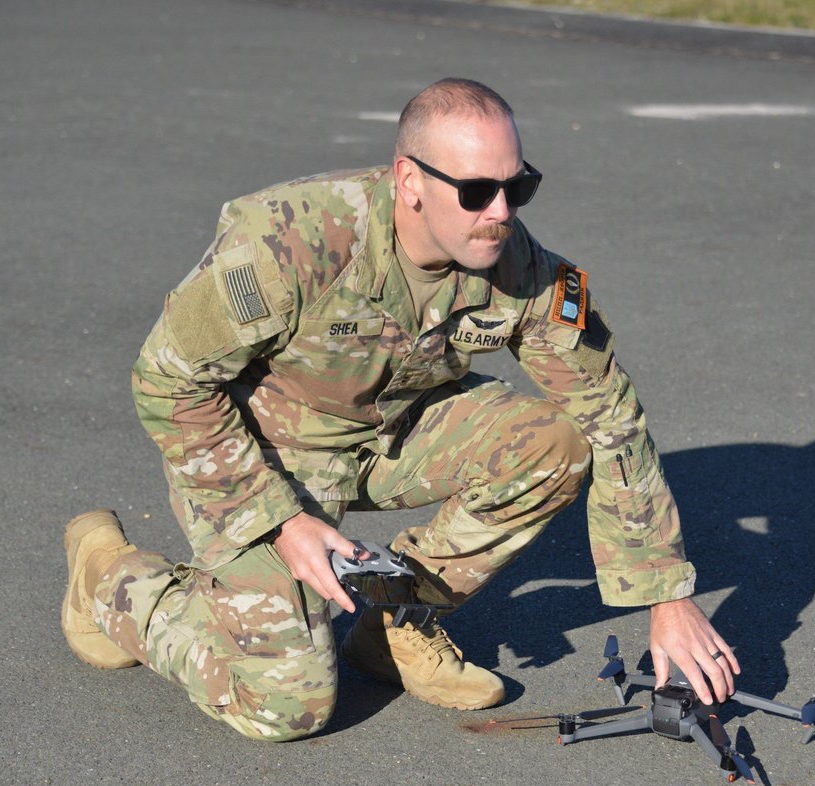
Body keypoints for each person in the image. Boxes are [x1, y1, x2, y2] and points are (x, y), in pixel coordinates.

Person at [61, 77, 739, 742]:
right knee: (282, 707)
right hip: (261, 454)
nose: (502, 211)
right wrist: (282, 520)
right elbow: (167, 383)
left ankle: (395, 624)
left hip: (392, 432)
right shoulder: (293, 242)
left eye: (517, 186)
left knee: (557, 443)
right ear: (411, 182)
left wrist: (666, 597)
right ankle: (113, 580)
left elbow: (610, 416)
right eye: (477, 191)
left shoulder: (522, 269)